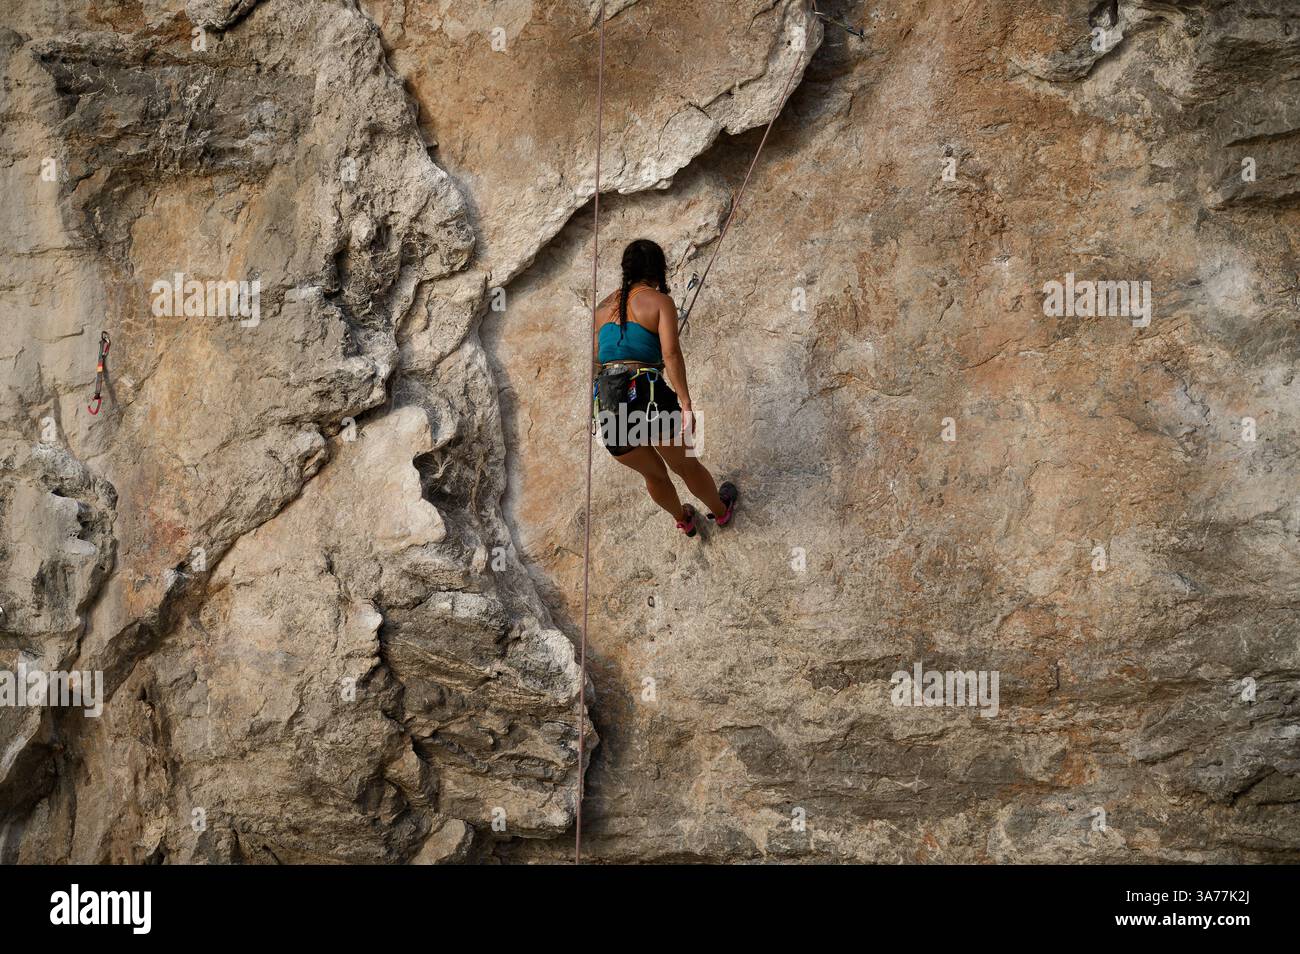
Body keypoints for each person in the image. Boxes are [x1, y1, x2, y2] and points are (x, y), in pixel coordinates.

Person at [591, 238, 738, 536]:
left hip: (609, 403)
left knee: (654, 476)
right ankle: (720, 512)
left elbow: (596, 365)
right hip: (649, 396)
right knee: (686, 467)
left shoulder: (601, 310)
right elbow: (671, 354)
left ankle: (683, 519)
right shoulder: (659, 302)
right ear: (658, 270)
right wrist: (685, 402)